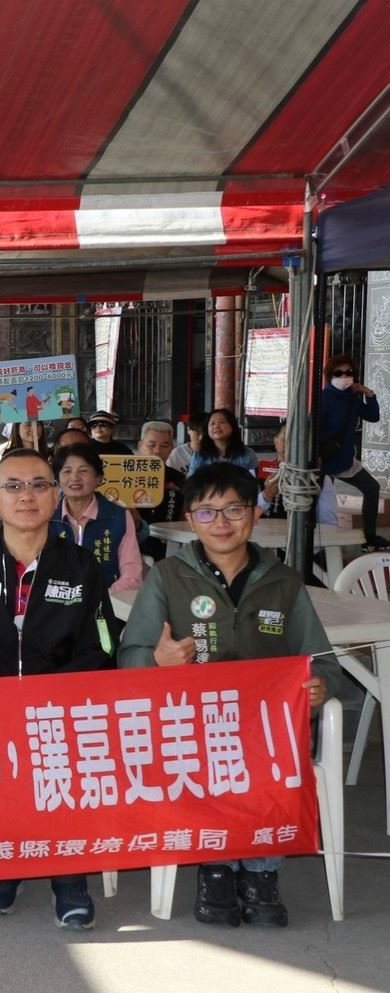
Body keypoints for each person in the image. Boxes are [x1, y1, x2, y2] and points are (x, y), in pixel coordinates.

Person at [118, 462, 344, 928]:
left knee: (270, 757)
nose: (221, 523)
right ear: (190, 519)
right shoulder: (167, 577)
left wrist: (319, 687)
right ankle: (216, 867)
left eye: (234, 509)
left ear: (255, 515)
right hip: (192, 726)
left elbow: (322, 660)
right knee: (207, 756)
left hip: (266, 729)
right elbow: (129, 659)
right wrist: (158, 660)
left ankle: (261, 870)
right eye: (207, 512)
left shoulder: (284, 582)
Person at [0, 448, 119, 931]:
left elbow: (102, 642)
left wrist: (56, 694)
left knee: (62, 780)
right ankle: (5, 864)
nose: (26, 496)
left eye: (38, 485)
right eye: (12, 486)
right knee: (0, 782)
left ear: (56, 497)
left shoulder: (81, 567)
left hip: (60, 708)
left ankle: (69, 877)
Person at [50, 443, 143, 593]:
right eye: (67, 471)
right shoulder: (47, 517)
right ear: (58, 480)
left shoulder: (118, 516)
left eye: (83, 471)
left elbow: (132, 575)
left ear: (98, 478)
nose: (75, 477)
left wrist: (104, 597)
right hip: (55, 599)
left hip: (107, 598)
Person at [318, 355, 388, 548]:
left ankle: (369, 538)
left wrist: (369, 394)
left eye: (348, 372)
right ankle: (320, 545)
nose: (344, 376)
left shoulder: (352, 397)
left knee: (371, 487)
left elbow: (372, 416)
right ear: (330, 376)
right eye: (338, 373)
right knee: (323, 504)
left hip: (345, 458)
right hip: (325, 460)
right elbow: (313, 428)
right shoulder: (324, 398)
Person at [260, 422, 338, 526]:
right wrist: (266, 495)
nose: (291, 447)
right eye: (285, 440)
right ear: (275, 441)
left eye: (298, 442)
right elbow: (246, 513)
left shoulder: (319, 479)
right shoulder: (257, 471)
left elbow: (328, 523)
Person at [135, 420, 185, 559]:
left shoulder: (178, 479)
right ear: (140, 446)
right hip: (130, 548)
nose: (157, 451)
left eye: (164, 445)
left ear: (171, 449)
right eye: (151, 445)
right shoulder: (123, 476)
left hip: (168, 548)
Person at [187, 408, 258, 476]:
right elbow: (191, 481)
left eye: (222, 422)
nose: (216, 426)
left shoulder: (247, 454)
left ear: (232, 426)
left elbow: (253, 481)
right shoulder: (199, 455)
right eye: (212, 423)